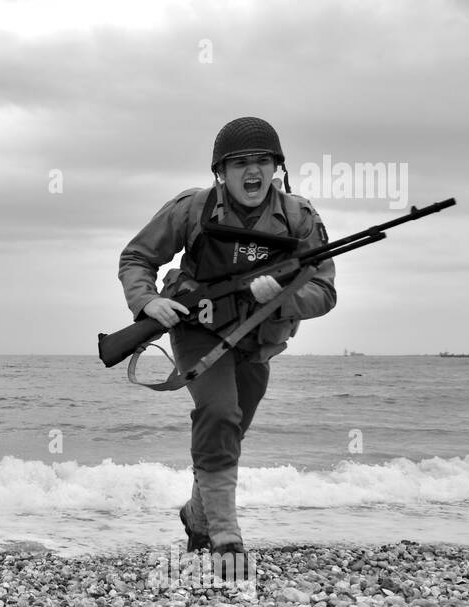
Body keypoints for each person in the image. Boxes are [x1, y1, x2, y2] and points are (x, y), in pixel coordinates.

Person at [118, 117, 336, 578]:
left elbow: (324, 291)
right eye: (239, 163)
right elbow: (137, 257)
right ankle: (225, 536)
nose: (252, 171)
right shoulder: (192, 209)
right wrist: (148, 301)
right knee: (219, 414)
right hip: (199, 330)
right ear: (221, 172)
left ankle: (196, 515)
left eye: (261, 161)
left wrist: (281, 298)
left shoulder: (300, 217)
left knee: (230, 432)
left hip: (259, 337)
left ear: (276, 167)